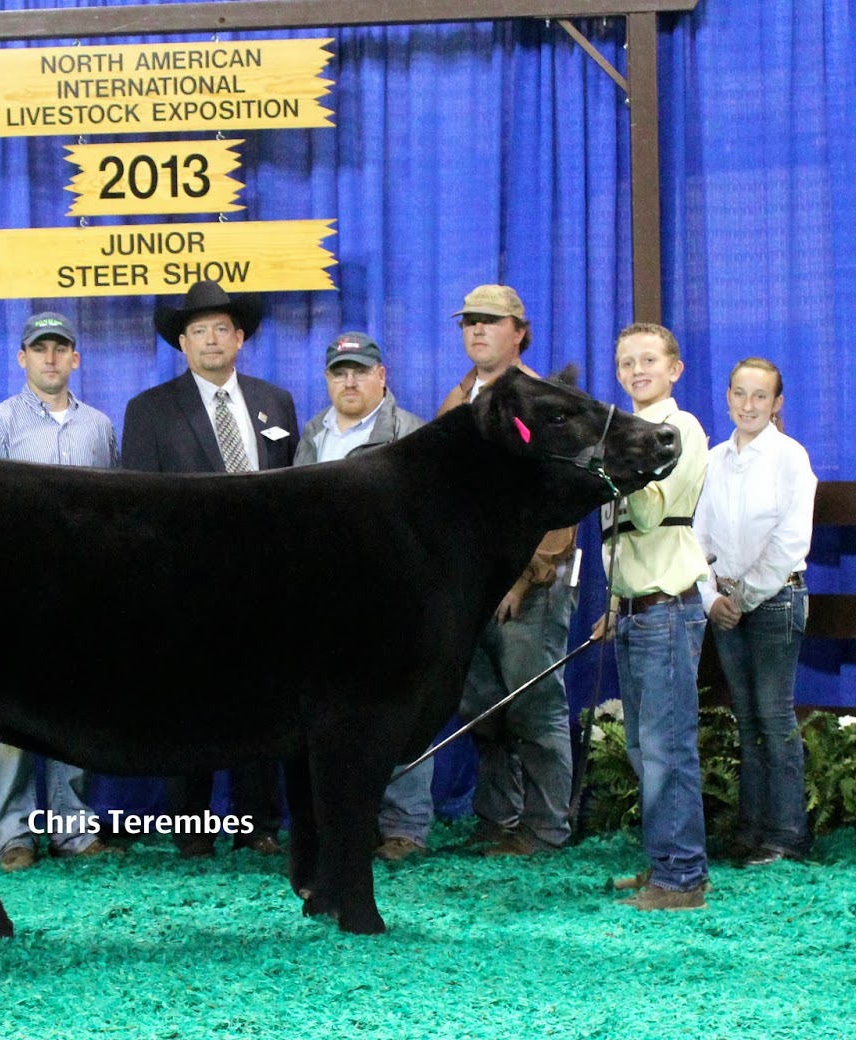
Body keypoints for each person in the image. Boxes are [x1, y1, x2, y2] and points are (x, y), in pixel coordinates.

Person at [121, 279, 297, 858]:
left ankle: (259, 824)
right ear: (182, 344)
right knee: (188, 704)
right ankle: (189, 827)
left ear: (240, 337)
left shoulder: (277, 402)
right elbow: (139, 504)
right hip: (185, 583)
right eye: (199, 331)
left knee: (263, 704)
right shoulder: (148, 410)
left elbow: (291, 490)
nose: (212, 339)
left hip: (264, 583)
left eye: (223, 328)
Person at [0, 311, 120, 871]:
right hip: (14, 595)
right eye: (40, 349)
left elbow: (113, 512)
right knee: (9, 719)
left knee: (75, 711)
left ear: (75, 358)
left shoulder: (99, 427)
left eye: (60, 348)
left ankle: (71, 827)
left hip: (83, 595)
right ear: (22, 358)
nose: (51, 358)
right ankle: (12, 834)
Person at [437, 285, 579, 858]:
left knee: (534, 702)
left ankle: (545, 828)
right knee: (484, 708)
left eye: (490, 321)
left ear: (519, 331)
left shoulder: (543, 401)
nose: (477, 330)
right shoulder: (457, 404)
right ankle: (498, 819)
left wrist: (522, 576)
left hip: (530, 585)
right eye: (469, 321)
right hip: (473, 588)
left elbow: (560, 500)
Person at [293, 331, 434, 861]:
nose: (349, 381)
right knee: (338, 715)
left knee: (395, 707)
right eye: (339, 372)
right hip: (323, 598)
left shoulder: (412, 436)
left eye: (359, 370)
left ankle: (404, 826)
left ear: (382, 376)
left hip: (390, 595)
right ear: (328, 380)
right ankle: (347, 828)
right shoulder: (313, 436)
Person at [593, 322, 710, 911]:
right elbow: (616, 537)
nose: (637, 371)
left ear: (674, 370)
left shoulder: (680, 429)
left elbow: (645, 516)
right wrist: (613, 603)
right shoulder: (631, 433)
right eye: (626, 363)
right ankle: (667, 863)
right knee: (644, 748)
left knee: (666, 747)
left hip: (668, 608)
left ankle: (683, 878)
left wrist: (618, 464)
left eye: (648, 360)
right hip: (636, 610)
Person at [694, 357, 815, 865]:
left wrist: (741, 599)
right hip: (724, 603)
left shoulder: (790, 458)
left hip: (776, 600)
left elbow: (790, 540)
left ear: (777, 403)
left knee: (772, 715)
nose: (749, 404)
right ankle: (750, 830)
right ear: (727, 397)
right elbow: (695, 534)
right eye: (740, 394)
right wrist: (710, 598)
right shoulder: (713, 458)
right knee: (748, 719)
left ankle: (786, 835)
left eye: (760, 396)